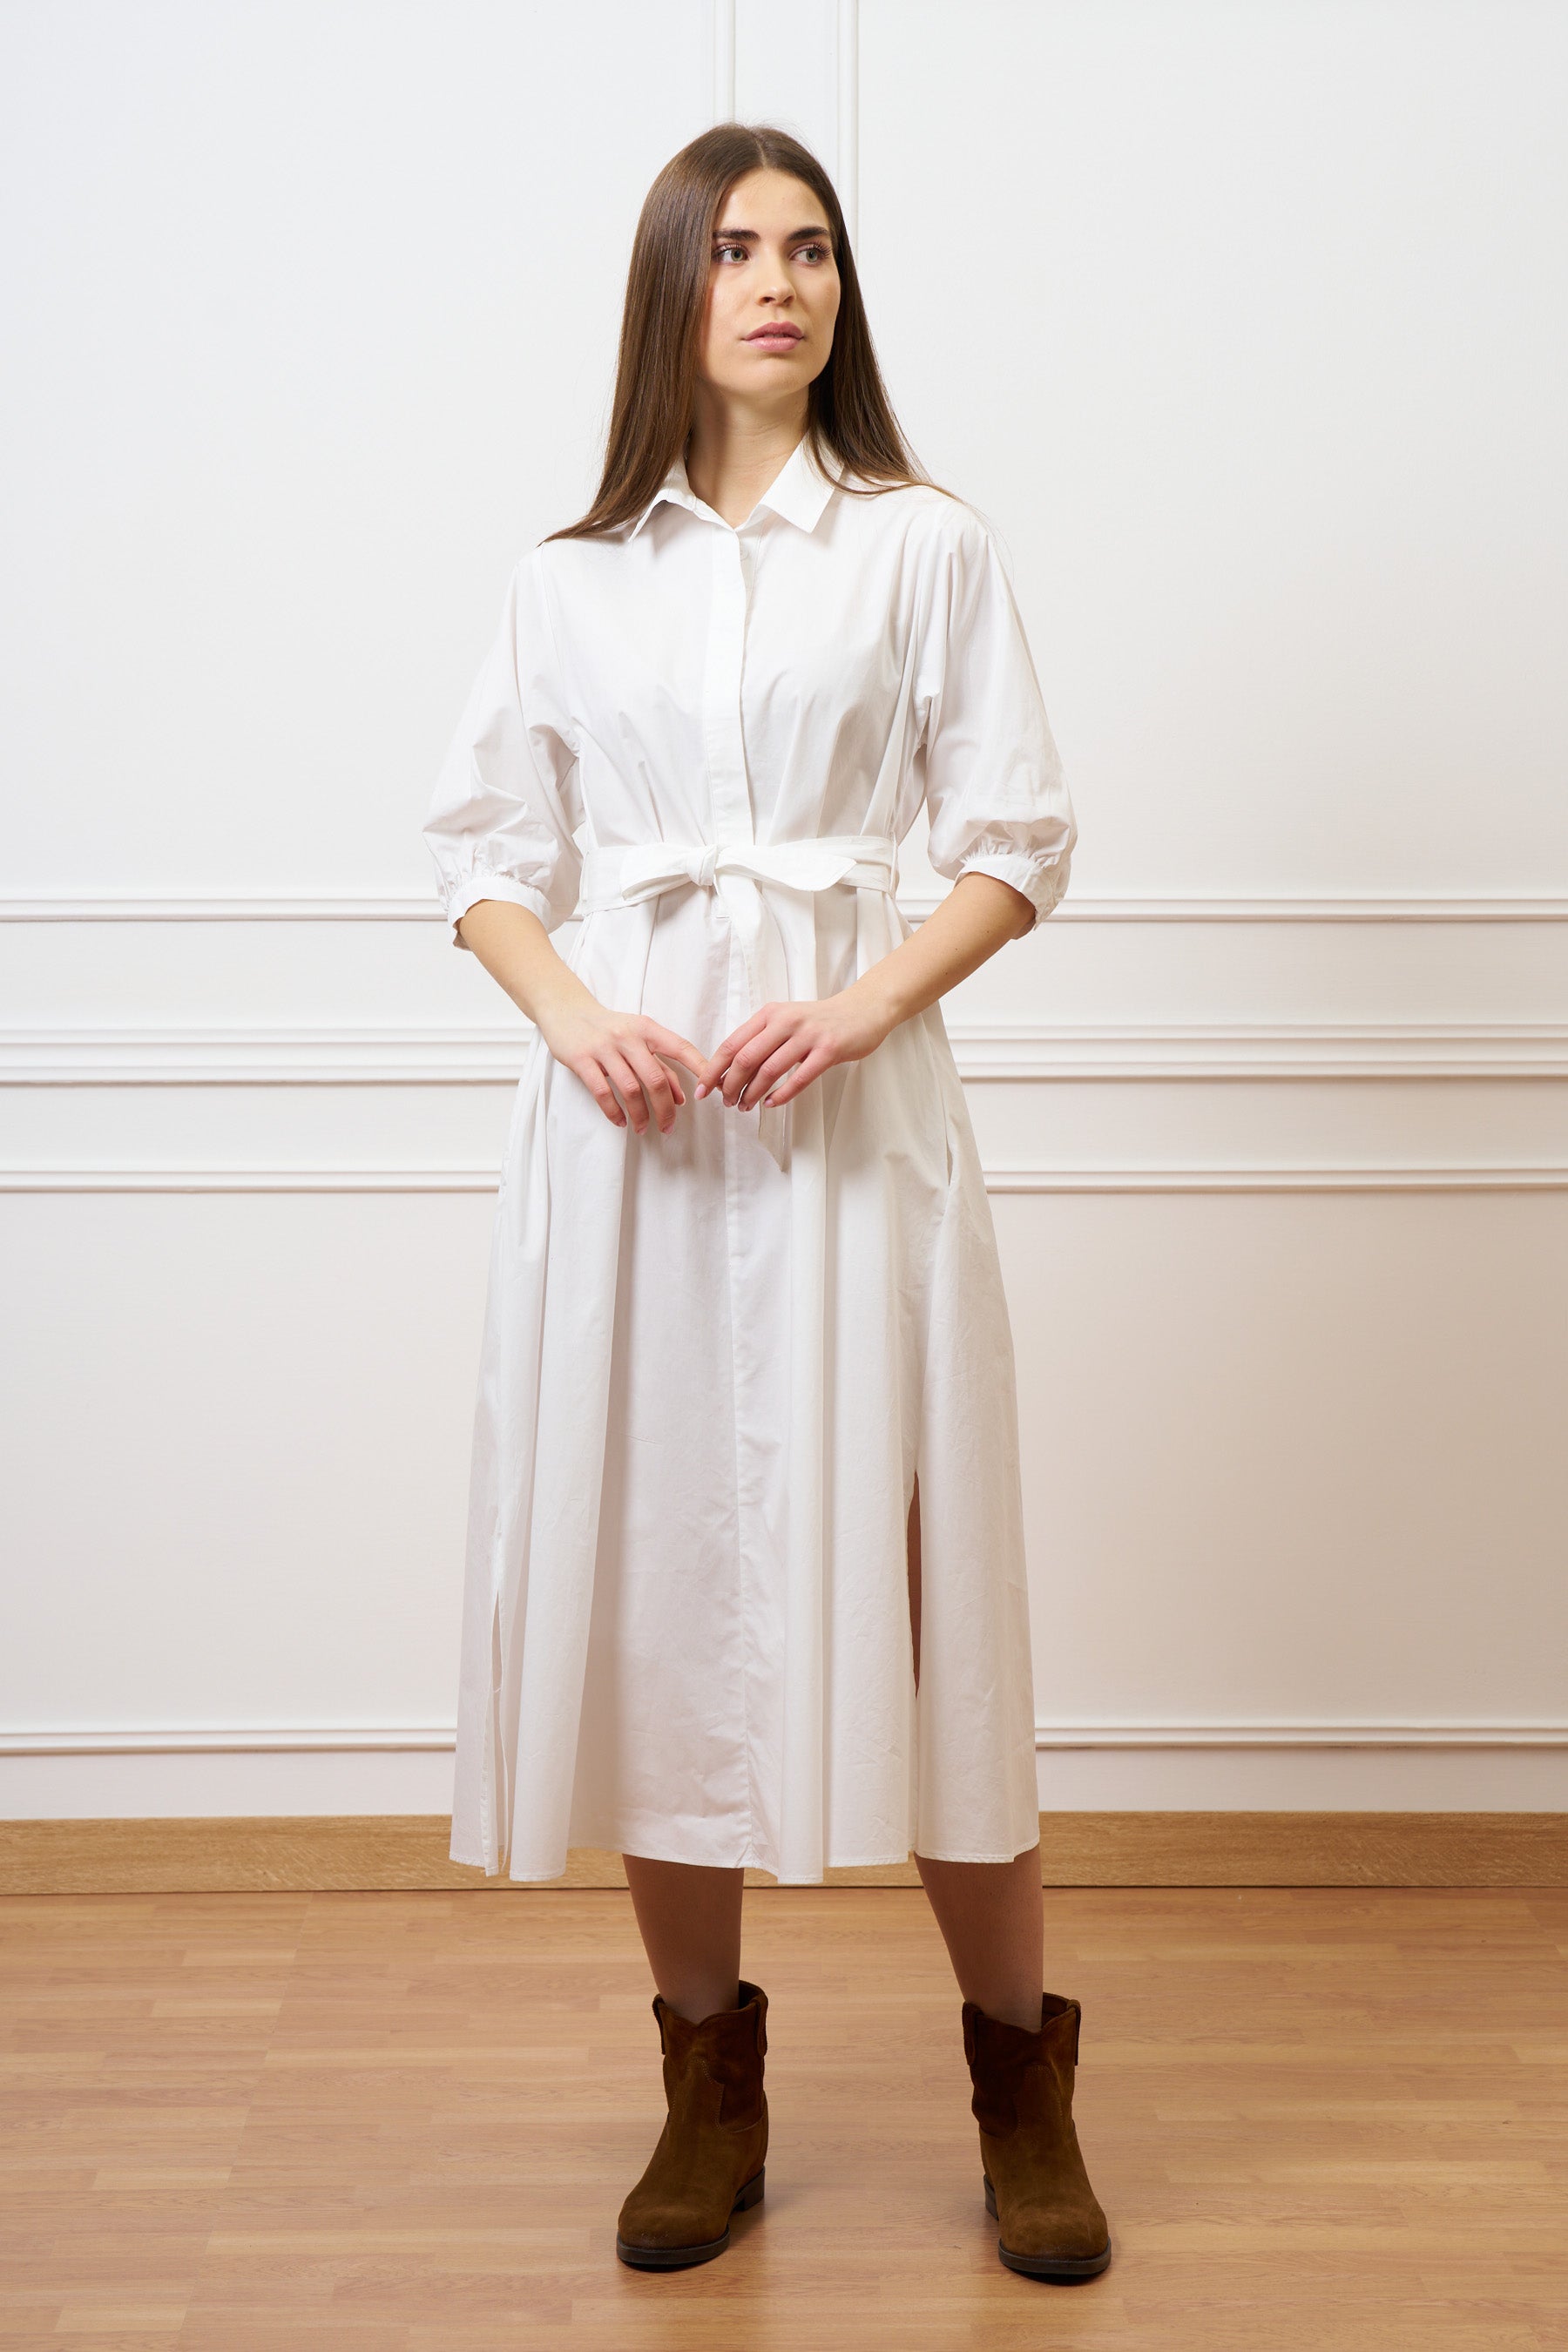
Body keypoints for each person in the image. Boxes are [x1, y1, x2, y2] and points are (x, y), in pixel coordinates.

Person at [422, 122, 1110, 2284]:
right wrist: (576, 1020)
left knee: (924, 1580)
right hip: (636, 1142)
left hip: (851, 1120)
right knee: (660, 1588)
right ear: (675, 288)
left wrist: (862, 1002)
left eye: (811, 249)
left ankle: (1020, 2082)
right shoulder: (567, 579)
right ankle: (706, 2083)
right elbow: (482, 857)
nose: (782, 284)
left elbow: (1018, 836)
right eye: (737, 250)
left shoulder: (921, 547)